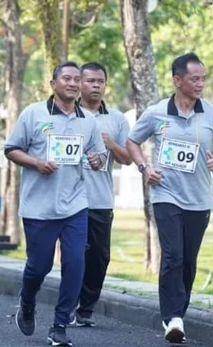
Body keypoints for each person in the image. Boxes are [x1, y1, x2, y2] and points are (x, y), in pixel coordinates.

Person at [126, 53, 213, 343]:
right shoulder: (156, 113)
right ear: (177, 80)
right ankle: (172, 318)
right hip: (165, 194)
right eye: (194, 78)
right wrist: (145, 167)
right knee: (173, 254)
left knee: (188, 260)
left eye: (203, 78)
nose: (200, 83)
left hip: (199, 199)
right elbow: (132, 142)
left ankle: (179, 314)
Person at [5, 61, 107, 346]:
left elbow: (99, 157)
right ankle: (27, 302)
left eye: (77, 79)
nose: (73, 83)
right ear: (53, 83)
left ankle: (60, 325)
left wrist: (97, 159)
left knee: (75, 263)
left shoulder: (88, 120)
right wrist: (36, 163)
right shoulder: (33, 114)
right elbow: (11, 149)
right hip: (39, 206)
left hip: (75, 204)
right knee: (39, 267)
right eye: (67, 78)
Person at [72, 62, 132, 327]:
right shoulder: (68, 115)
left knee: (99, 257)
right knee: (75, 255)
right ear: (79, 83)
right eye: (90, 81)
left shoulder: (117, 119)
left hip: (101, 200)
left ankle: (86, 309)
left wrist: (111, 144)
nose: (96, 86)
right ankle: (71, 305)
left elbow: (129, 158)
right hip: (71, 199)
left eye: (100, 82)